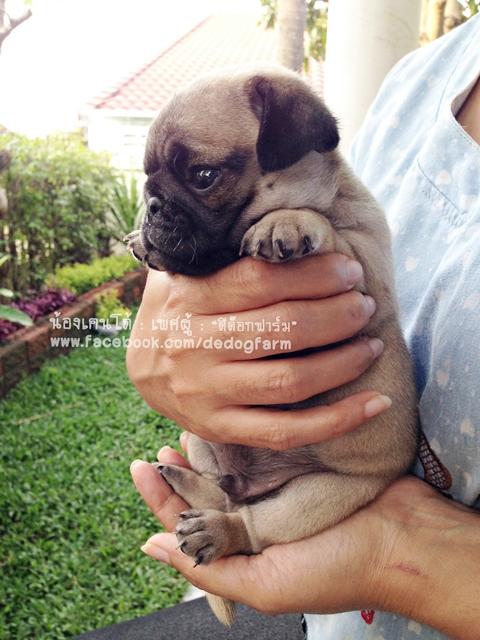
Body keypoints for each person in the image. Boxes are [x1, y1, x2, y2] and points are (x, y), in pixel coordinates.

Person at [128, 13, 480, 640]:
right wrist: (168, 324)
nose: (166, 203)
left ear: (293, 138)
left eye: (203, 177)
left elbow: (361, 274)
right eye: (157, 188)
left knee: (304, 499)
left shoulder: (339, 213)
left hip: (343, 471)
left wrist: (393, 555)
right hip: (317, 600)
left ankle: (244, 526)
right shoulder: (421, 81)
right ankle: (218, 497)